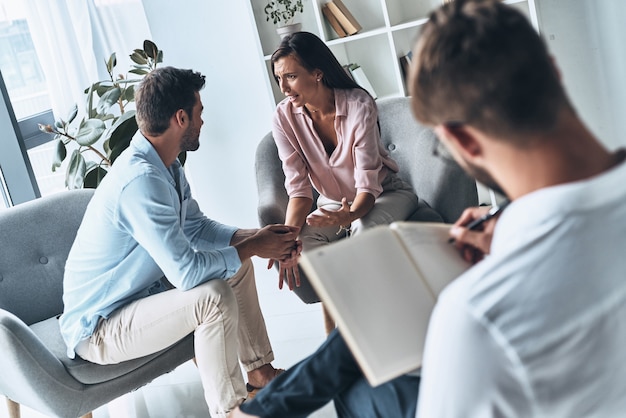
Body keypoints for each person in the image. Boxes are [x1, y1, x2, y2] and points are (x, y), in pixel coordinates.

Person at [230, 0, 626, 416]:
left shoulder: (473, 315)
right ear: (554, 74)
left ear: (463, 143)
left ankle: (255, 412)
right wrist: (509, 231)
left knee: (354, 382)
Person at [59, 66, 301, 418]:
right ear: (181, 117)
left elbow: (196, 227)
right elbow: (187, 273)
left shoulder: (165, 165)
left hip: (137, 300)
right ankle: (231, 411)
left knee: (237, 267)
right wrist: (252, 245)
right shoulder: (141, 181)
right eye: (199, 112)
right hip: (100, 327)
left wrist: (257, 237)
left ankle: (259, 373)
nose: (203, 120)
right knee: (213, 297)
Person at [269, 31, 419, 301]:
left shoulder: (358, 105)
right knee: (303, 247)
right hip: (331, 204)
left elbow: (367, 186)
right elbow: (299, 191)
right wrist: (287, 241)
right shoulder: (283, 117)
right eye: (279, 78)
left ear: (317, 73)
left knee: (363, 232)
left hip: (383, 195)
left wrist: (349, 217)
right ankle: (362, 311)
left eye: (290, 76)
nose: (284, 88)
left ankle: (368, 316)